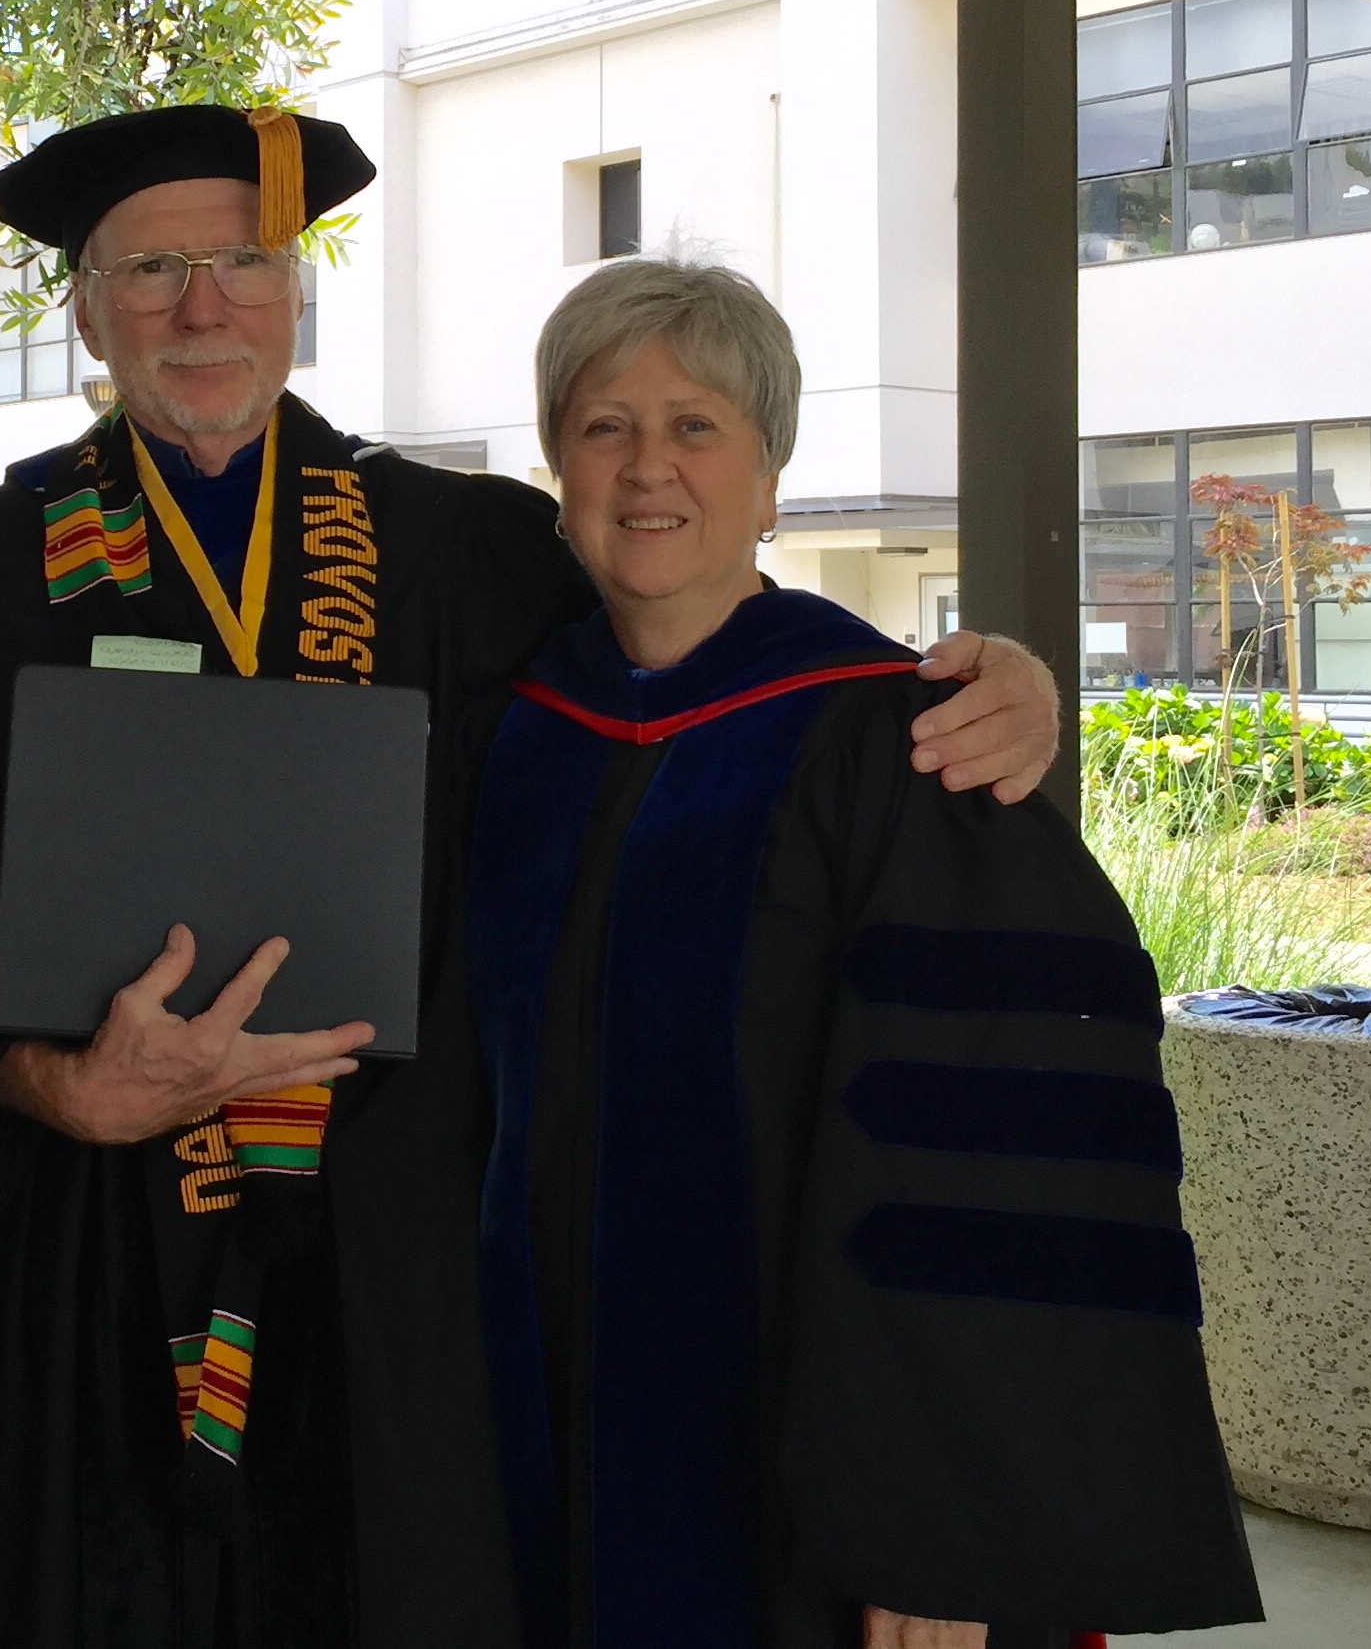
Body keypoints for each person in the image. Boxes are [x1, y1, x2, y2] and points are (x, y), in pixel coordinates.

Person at [0, 104, 1066, 1649]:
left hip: (399, 1275)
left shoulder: (470, 550)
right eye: (148, 272)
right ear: (86, 309)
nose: (199, 306)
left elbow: (688, 677)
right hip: (76, 1273)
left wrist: (969, 685)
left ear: (296, 289)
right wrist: (42, 1084)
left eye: (240, 260)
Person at [464, 257, 1261, 1649]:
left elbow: (992, 1156)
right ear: (557, 470)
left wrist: (940, 1534)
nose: (648, 466)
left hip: (808, 1482)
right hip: (526, 1441)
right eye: (603, 425)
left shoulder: (898, 746)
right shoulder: (519, 729)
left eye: (697, 424)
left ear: (770, 474)